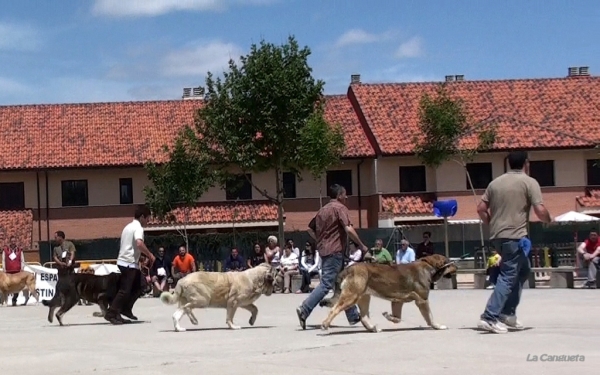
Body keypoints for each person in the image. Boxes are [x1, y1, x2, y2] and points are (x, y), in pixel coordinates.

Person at [476, 150, 552, 334]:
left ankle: (507, 313)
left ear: (509, 163)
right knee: (509, 276)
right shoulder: (529, 182)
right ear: (526, 163)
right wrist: (548, 219)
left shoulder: (495, 183)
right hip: (515, 237)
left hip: (498, 236)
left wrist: (492, 224)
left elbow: (481, 208)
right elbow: (540, 209)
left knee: (523, 270)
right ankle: (490, 316)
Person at [296, 184, 368, 330]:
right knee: (326, 284)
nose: (346, 197)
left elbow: (310, 228)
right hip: (336, 251)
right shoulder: (340, 208)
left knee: (342, 284)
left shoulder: (322, 210)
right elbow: (348, 228)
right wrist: (362, 245)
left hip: (325, 251)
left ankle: (353, 315)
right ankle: (304, 309)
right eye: (345, 194)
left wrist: (320, 240)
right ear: (339, 195)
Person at [104, 206, 155, 325]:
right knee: (124, 291)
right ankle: (111, 313)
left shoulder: (127, 227)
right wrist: (150, 255)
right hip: (129, 263)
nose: (148, 222)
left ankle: (125, 309)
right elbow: (139, 243)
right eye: (148, 219)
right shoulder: (138, 228)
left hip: (126, 262)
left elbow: (129, 245)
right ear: (142, 217)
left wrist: (140, 257)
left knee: (142, 286)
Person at [1, 236, 28, 306]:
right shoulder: (5, 250)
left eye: (14, 241)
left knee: (17, 286)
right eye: (12, 241)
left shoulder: (19, 250)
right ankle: (4, 301)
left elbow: (22, 259)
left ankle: (14, 300)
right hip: (8, 271)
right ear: (10, 242)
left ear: (16, 242)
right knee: (6, 286)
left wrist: (22, 268)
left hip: (17, 271)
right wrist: (4, 268)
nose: (13, 243)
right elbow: (3, 259)